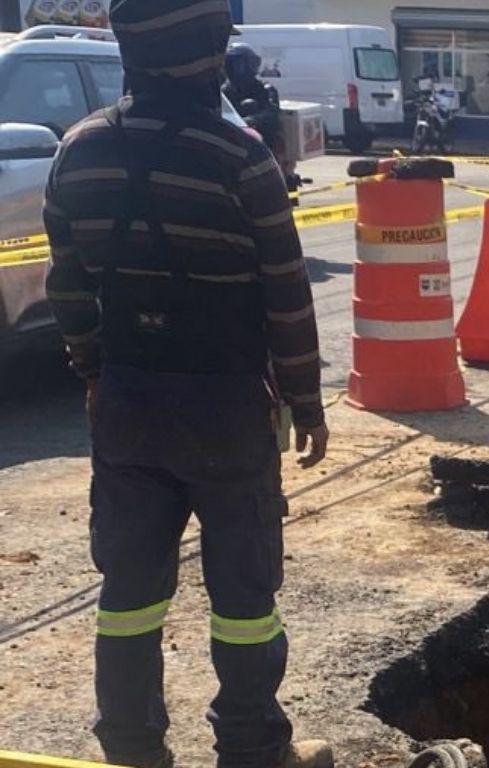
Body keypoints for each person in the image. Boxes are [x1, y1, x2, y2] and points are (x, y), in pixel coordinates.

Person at [43, 2, 331, 768]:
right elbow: (285, 292)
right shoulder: (240, 156)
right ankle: (253, 750)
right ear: (206, 53)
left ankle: (133, 750)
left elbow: (67, 286)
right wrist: (306, 401)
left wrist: (95, 373)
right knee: (244, 599)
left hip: (129, 403)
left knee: (129, 595)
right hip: (226, 408)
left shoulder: (79, 152)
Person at [223, 43, 296, 190]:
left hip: (262, 142)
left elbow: (271, 112)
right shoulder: (225, 90)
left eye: (242, 64)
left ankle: (277, 182)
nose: (238, 68)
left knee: (270, 177)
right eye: (234, 64)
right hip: (232, 138)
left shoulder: (264, 89)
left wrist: (250, 121)